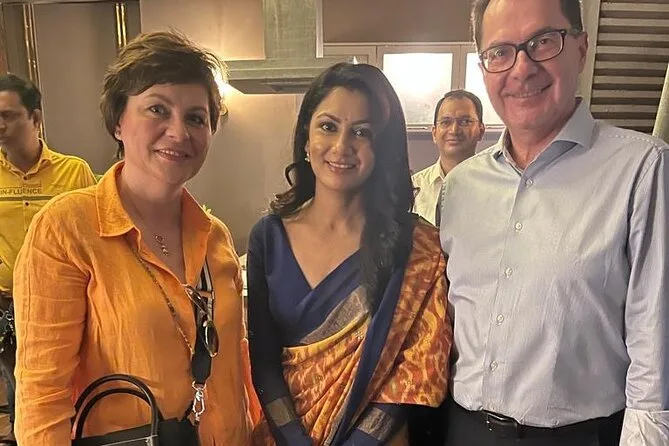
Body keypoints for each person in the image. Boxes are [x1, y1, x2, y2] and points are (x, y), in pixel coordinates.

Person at [439, 0, 669, 445]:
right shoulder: (460, 187)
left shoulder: (642, 170)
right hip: (462, 429)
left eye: (543, 42)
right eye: (500, 52)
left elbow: (655, 347)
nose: (522, 69)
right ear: (484, 68)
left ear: (581, 49)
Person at [13, 31, 254, 445]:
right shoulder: (67, 229)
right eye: (158, 109)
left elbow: (235, 370)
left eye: (196, 118)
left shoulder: (215, 237)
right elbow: (42, 398)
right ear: (118, 122)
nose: (178, 132)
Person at [247, 62, 451, 446]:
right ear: (305, 138)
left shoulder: (417, 247)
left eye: (362, 132)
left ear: (382, 148)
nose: (342, 146)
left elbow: (415, 370)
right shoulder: (268, 237)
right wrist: (295, 440)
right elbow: (264, 364)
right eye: (328, 126)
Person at [0, 73, 96, 445]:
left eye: (8, 115)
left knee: (65, 383)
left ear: (36, 118)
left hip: (64, 304)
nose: (0, 124)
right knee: (24, 387)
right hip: (7, 304)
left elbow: (93, 236)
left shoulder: (73, 171)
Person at [412, 90, 485, 225]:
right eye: (445, 122)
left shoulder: (497, 187)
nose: (454, 130)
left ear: (481, 131)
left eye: (465, 121)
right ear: (434, 133)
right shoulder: (414, 189)